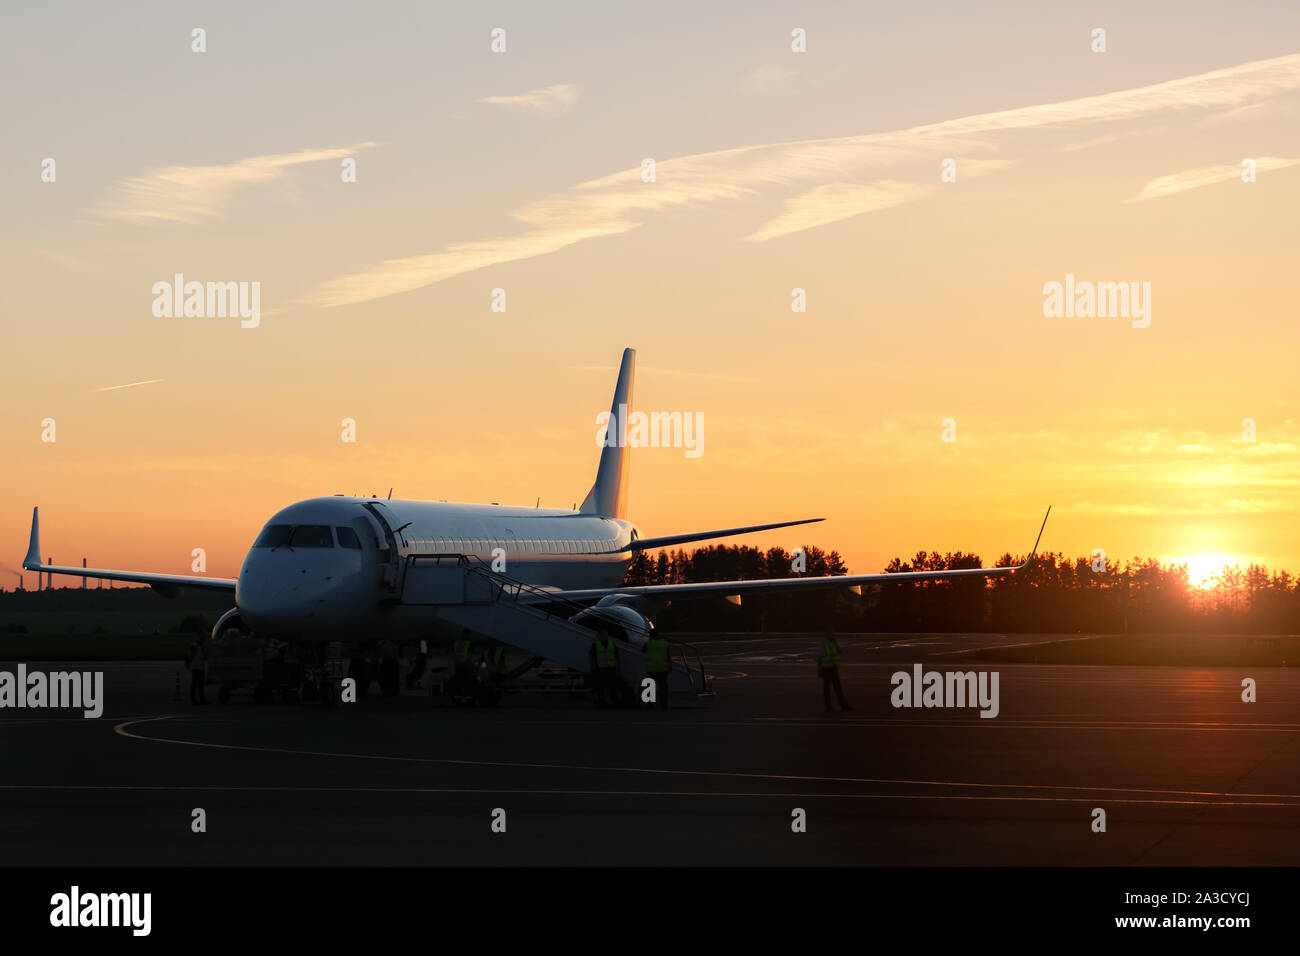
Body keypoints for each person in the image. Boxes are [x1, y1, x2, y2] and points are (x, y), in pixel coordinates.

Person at [818, 632, 853, 712]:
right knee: (827, 688)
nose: (833, 635)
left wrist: (835, 643)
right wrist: (819, 669)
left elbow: (840, 651)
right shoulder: (823, 645)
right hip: (826, 668)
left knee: (838, 688)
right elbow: (820, 657)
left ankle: (843, 705)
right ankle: (829, 707)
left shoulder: (835, 643)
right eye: (831, 634)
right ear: (827, 635)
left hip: (834, 668)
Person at [589, 628, 620, 706]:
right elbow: (592, 658)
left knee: (612, 686)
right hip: (600, 669)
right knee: (601, 687)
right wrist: (592, 668)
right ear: (599, 636)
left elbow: (617, 656)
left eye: (606, 634)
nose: (605, 636)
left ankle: (614, 701)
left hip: (611, 668)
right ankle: (601, 702)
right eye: (603, 634)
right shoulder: (595, 645)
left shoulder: (612, 644)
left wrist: (618, 667)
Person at [643, 632, 670, 710]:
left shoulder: (648, 643)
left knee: (650, 687)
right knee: (663, 688)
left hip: (652, 669)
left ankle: (650, 704)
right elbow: (668, 656)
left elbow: (643, 650)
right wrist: (669, 666)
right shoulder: (665, 643)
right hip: (663, 669)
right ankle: (664, 704)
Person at [186, 638, 208, 705]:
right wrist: (188, 663)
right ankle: (194, 700)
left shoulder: (201, 646)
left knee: (200, 684)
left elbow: (203, 656)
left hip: (200, 667)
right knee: (195, 684)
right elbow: (190, 655)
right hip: (196, 667)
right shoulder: (195, 645)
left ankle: (201, 699)